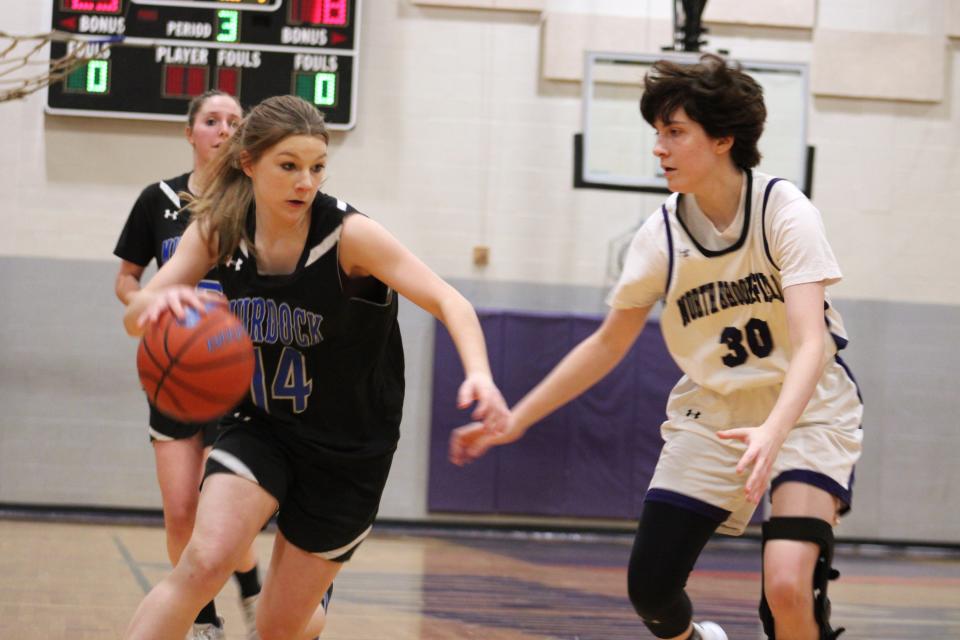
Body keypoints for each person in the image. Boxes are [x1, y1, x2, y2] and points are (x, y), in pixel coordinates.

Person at [450, 54, 862, 640]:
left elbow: (811, 340)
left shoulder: (783, 211)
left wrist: (773, 431)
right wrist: (517, 419)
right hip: (714, 412)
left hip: (806, 408)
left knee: (788, 587)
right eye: (657, 134)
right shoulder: (661, 234)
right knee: (651, 589)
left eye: (675, 132)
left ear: (722, 138)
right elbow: (605, 344)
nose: (659, 148)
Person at [120, 94, 509, 640]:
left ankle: (308, 607)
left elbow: (452, 302)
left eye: (317, 168)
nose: (306, 181)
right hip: (262, 426)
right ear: (248, 163)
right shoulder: (218, 229)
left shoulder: (349, 237)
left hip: (349, 449)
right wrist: (152, 307)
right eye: (289, 166)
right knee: (202, 564)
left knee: (283, 628)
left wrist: (480, 374)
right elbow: (137, 316)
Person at [113, 90, 264, 640]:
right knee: (180, 512)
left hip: (236, 375)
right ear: (190, 131)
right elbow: (126, 279)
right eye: (212, 120)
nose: (224, 129)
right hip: (175, 370)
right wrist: (146, 304)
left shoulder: (256, 201)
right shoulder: (156, 200)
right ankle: (205, 622)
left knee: (221, 514)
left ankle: (251, 590)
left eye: (234, 121)